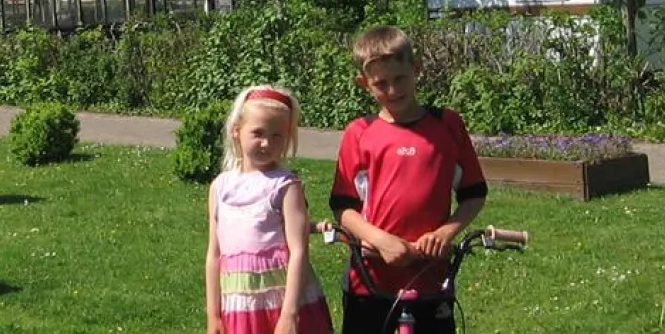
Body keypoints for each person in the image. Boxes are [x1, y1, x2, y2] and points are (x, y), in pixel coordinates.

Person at [330, 25, 488, 334]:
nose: (392, 90)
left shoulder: (447, 125)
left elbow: (474, 193)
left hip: (431, 277)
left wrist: (445, 232)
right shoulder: (359, 133)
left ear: (416, 69)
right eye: (381, 84)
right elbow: (343, 207)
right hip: (370, 280)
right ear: (364, 84)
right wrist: (380, 240)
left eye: (400, 79)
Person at [206, 84, 334, 334]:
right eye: (258, 133)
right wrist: (213, 314)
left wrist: (289, 314)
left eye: (278, 136)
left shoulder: (285, 185)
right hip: (241, 304)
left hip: (281, 299)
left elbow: (299, 250)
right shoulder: (220, 187)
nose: (267, 143)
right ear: (236, 131)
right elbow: (214, 255)